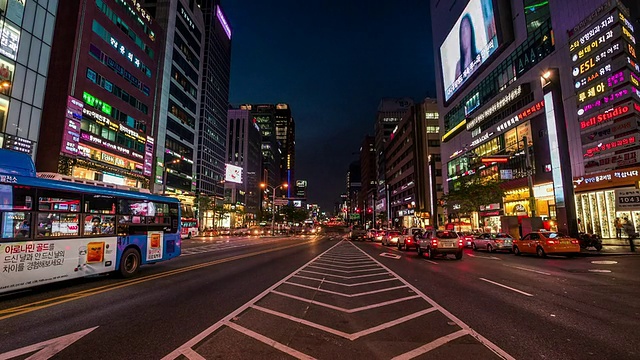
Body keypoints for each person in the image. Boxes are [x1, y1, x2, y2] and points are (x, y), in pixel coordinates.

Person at [455, 14, 479, 80]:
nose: (464, 33)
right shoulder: (459, 65)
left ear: (471, 31)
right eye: (462, 31)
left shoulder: (478, 57)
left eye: (466, 28)